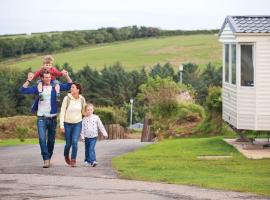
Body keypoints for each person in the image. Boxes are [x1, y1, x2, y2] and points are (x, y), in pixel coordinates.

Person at [19, 69, 72, 168]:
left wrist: (66, 76)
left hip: (53, 119)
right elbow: (22, 90)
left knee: (51, 141)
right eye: (46, 77)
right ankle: (46, 159)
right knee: (42, 139)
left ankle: (48, 157)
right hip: (41, 118)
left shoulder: (55, 87)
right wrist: (29, 80)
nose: (48, 79)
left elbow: (69, 85)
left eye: (49, 77)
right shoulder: (38, 87)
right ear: (42, 78)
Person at [60, 82, 86, 167]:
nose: (71, 89)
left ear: (78, 89)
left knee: (75, 142)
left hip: (77, 123)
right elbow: (62, 112)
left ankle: (73, 159)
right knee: (68, 144)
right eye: (71, 87)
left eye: (73, 87)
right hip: (67, 124)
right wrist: (61, 125)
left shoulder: (82, 99)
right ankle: (66, 155)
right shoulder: (66, 98)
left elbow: (84, 112)